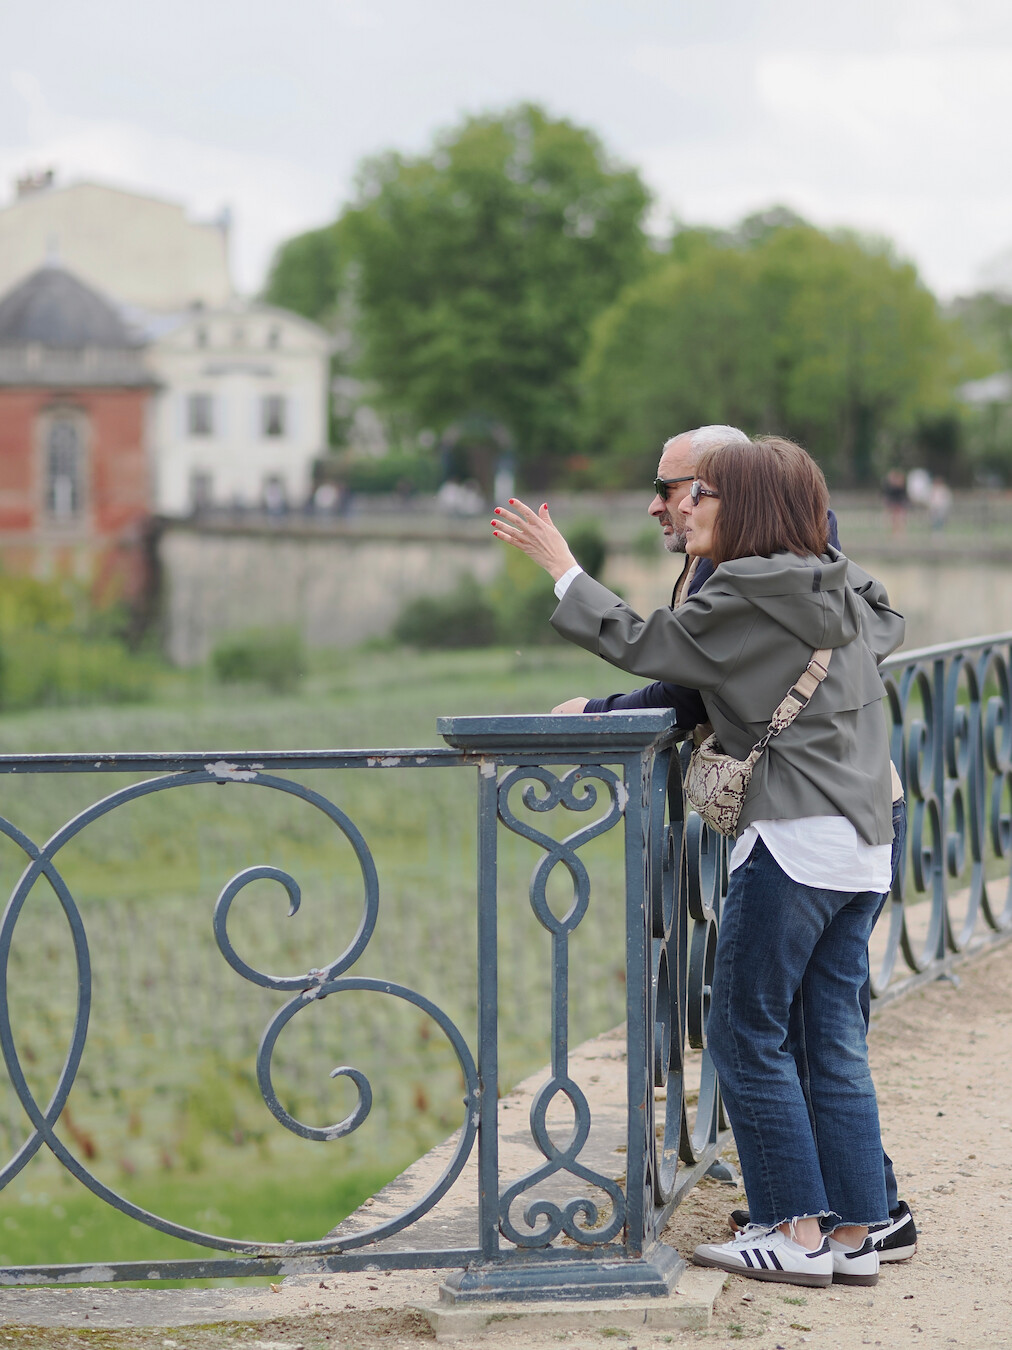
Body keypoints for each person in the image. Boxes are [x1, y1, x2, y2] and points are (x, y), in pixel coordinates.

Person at [492, 437, 904, 1288]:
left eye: (701, 496)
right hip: (866, 841)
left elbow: (650, 647)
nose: (681, 511)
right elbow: (883, 625)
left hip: (794, 837)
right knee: (829, 1038)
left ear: (743, 506)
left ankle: (794, 1231)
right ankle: (860, 1234)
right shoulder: (835, 582)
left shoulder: (749, 588)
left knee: (742, 1033)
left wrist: (564, 568)